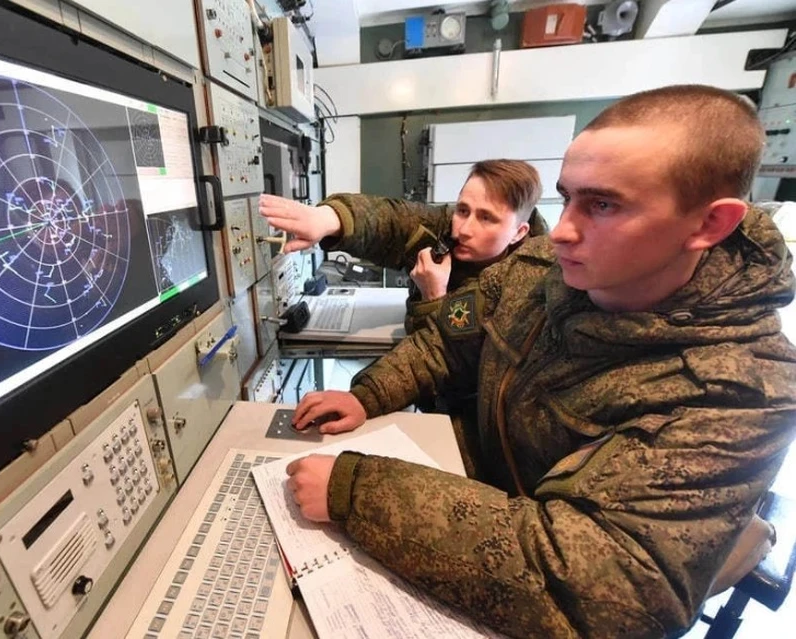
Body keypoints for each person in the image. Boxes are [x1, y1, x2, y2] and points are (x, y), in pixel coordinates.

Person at [284, 85, 796, 638]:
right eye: (567, 198)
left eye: (603, 205)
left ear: (709, 225)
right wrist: (367, 394)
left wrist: (357, 493)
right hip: (484, 490)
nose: (565, 230)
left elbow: (600, 590)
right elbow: (448, 343)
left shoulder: (741, 393)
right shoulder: (539, 269)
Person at [258, 159, 547, 336]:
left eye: (486, 218)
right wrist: (328, 219)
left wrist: (433, 297)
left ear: (518, 233)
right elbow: (392, 219)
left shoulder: (531, 291)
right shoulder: (447, 226)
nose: (463, 229)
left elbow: (456, 363)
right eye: (462, 210)